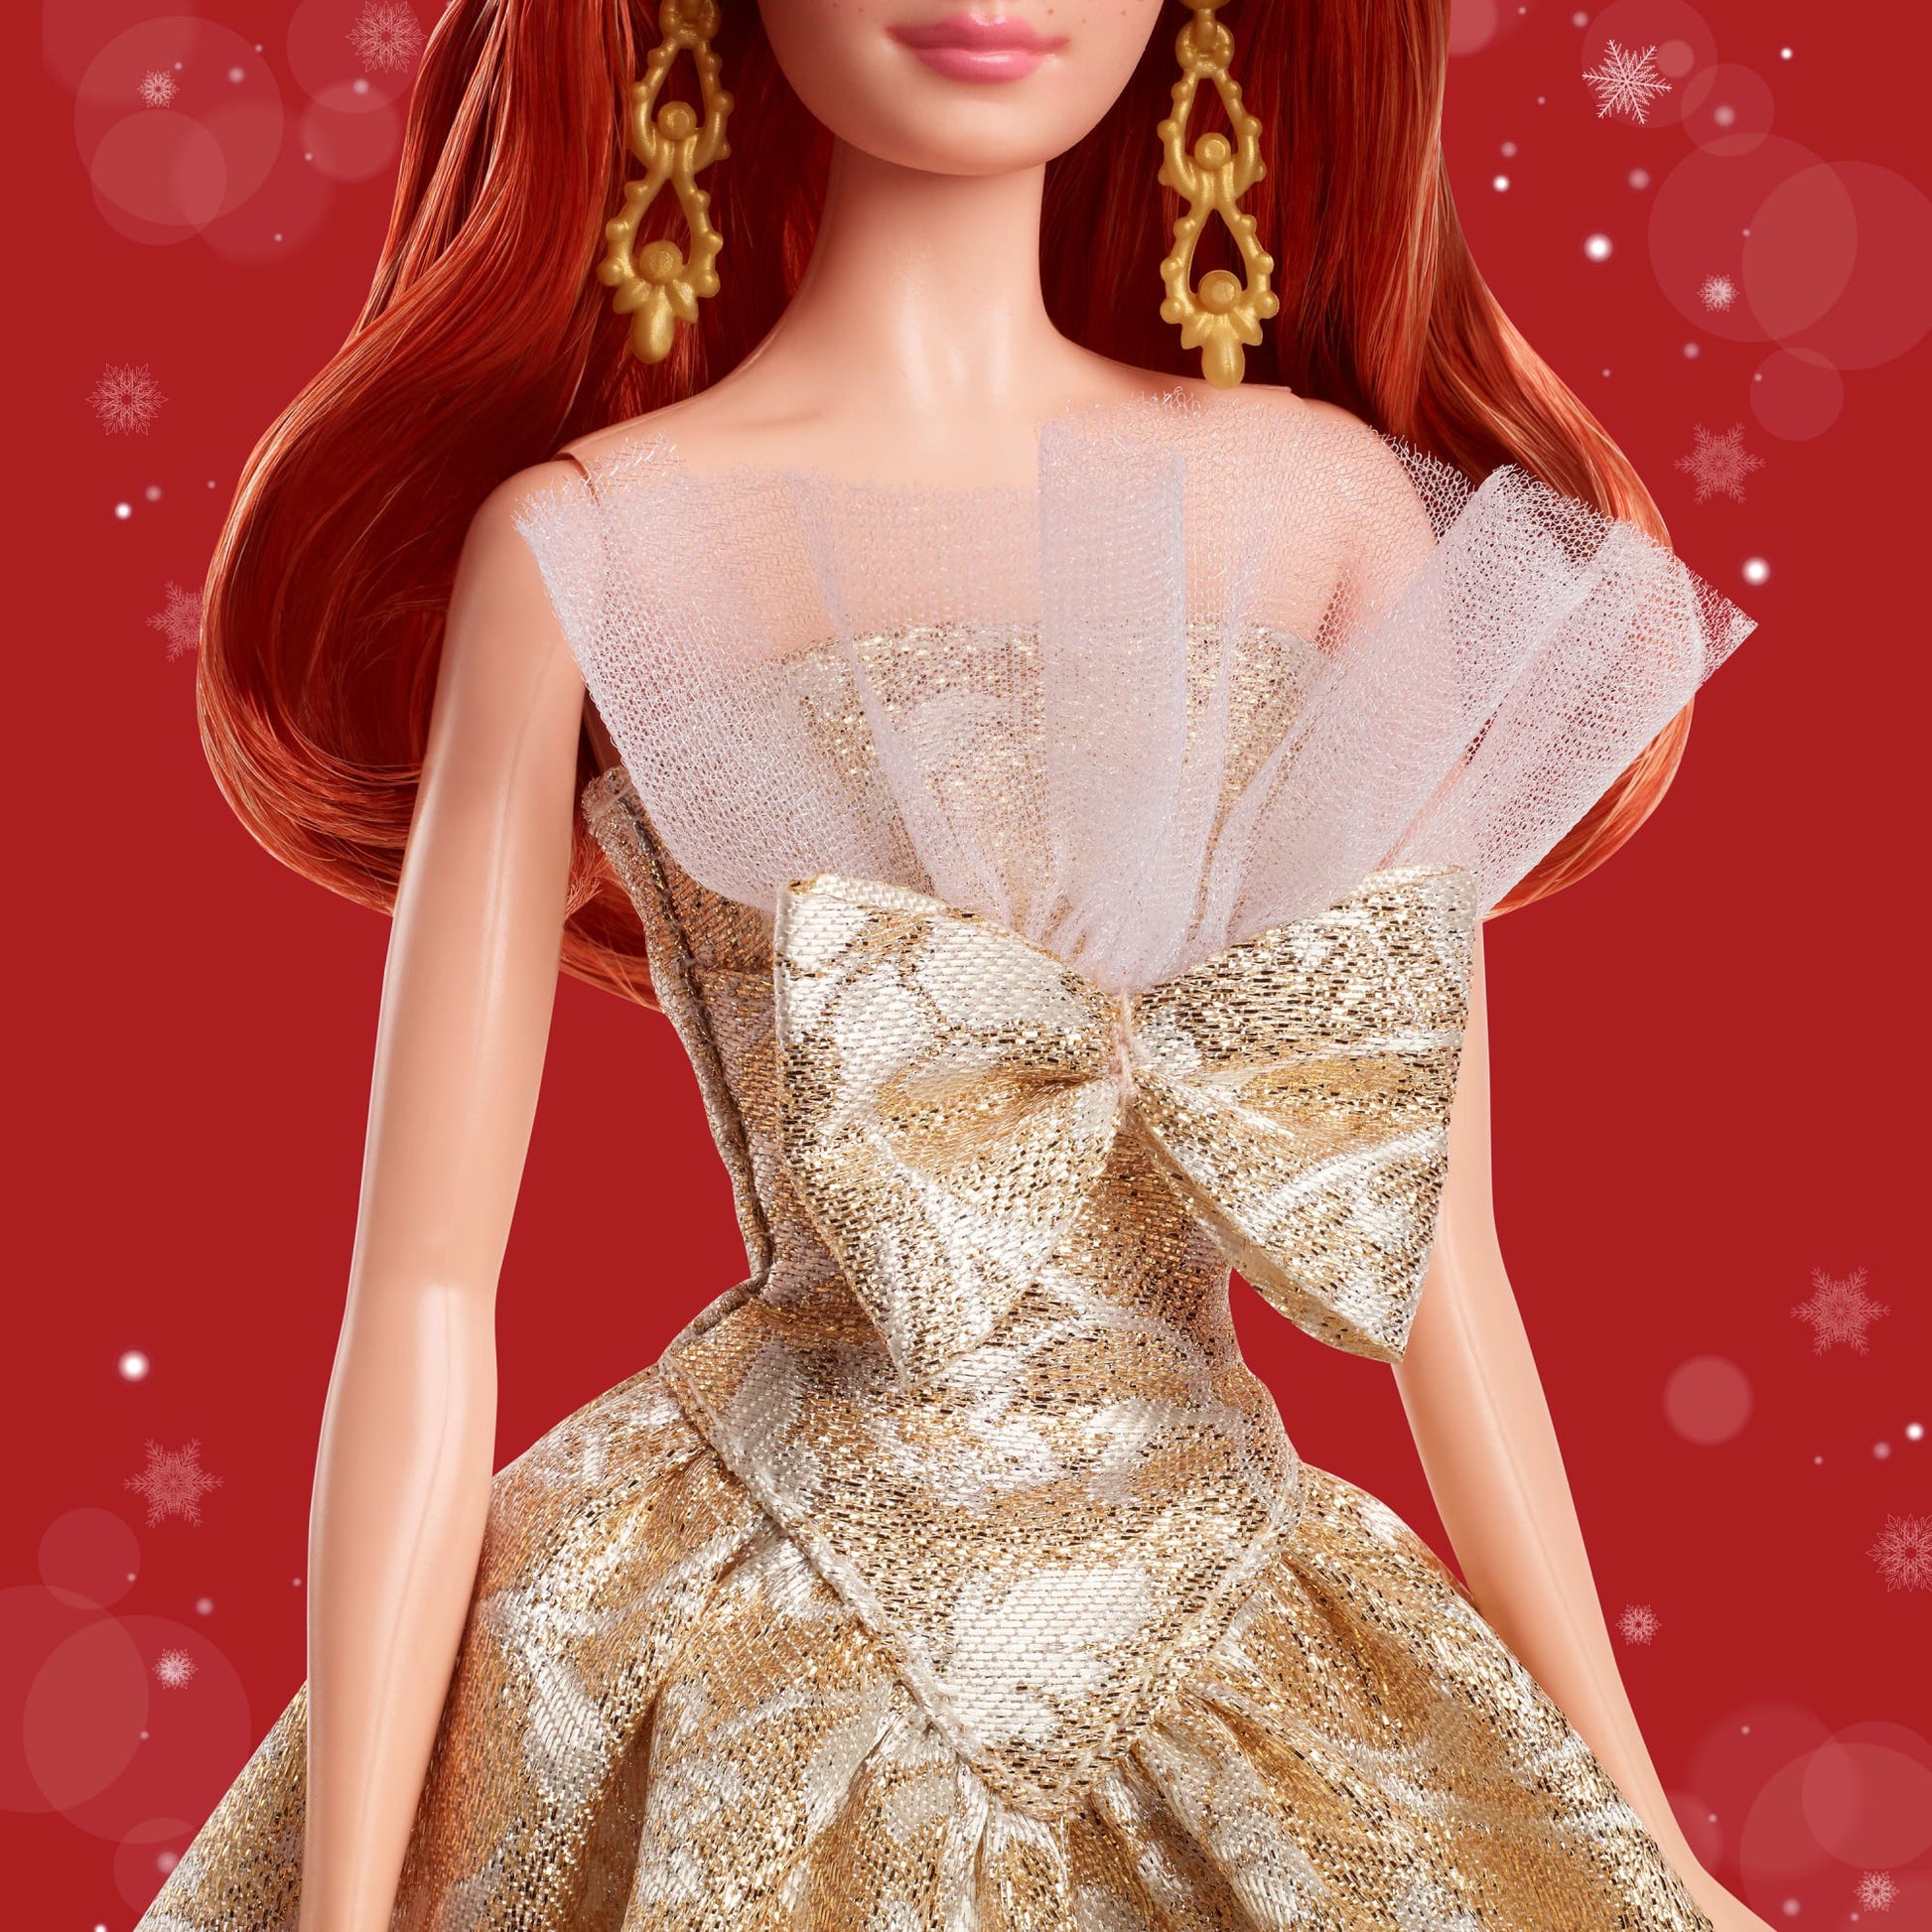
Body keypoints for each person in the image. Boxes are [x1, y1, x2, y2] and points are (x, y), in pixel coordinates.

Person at [144, 4, 1769, 1927]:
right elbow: (423, 1283)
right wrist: (344, 1901)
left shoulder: (1320, 507)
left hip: (1224, 1587)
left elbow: (1439, 1266)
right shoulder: (599, 539)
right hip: (749, 1610)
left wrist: (1645, 1832)